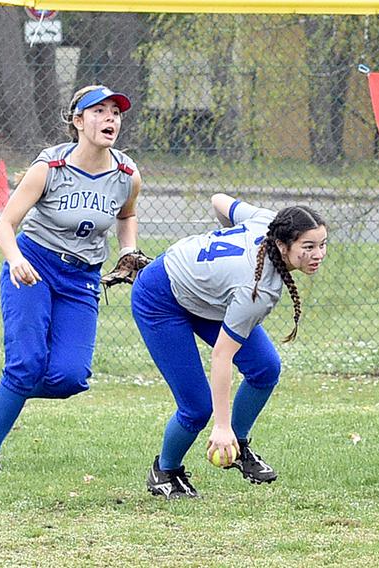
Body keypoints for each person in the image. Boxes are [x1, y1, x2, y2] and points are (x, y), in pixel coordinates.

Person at [0, 85, 142, 473]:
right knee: (27, 362)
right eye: (98, 111)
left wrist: (127, 250)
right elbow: (5, 224)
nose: (110, 118)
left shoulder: (126, 174)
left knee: (70, 377)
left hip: (81, 277)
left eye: (115, 112)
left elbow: (126, 216)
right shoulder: (50, 167)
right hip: (34, 266)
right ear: (78, 121)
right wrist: (14, 260)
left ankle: (12, 388)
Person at [131, 193, 327, 498]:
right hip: (161, 297)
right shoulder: (258, 287)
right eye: (308, 247)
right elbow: (222, 355)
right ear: (281, 244)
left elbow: (219, 200)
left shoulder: (267, 221)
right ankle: (165, 471)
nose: (318, 254)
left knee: (265, 368)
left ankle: (239, 444)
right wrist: (221, 426)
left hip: (205, 295)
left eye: (322, 244)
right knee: (197, 407)